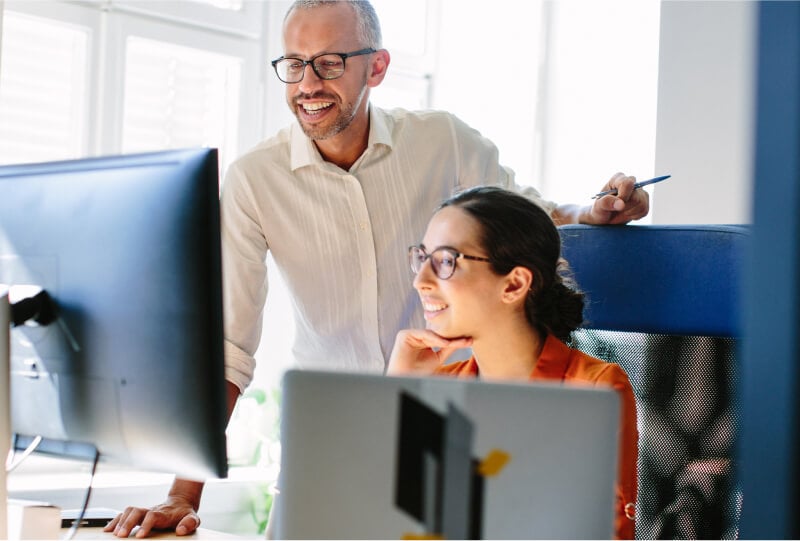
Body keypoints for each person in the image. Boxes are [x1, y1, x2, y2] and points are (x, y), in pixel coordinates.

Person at [105, 0, 648, 537]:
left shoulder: (442, 140)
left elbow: (519, 214)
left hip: (454, 429)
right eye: (294, 64)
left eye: (330, 62)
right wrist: (183, 494)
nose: (308, 83)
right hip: (335, 446)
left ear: (377, 67)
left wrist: (591, 211)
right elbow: (227, 347)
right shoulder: (254, 180)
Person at [387, 185, 638, 539]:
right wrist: (399, 389)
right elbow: (395, 524)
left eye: (444, 261)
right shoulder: (442, 385)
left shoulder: (593, 390)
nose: (419, 281)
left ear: (514, 284)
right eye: (421, 258)